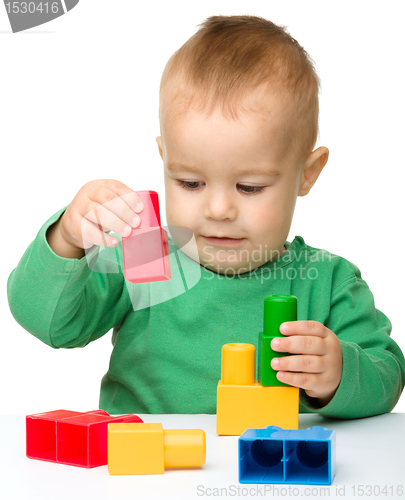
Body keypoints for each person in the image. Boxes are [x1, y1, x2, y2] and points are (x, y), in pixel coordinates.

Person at [8, 15, 405, 418]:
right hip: (146, 473)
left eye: (249, 187)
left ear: (307, 174)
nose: (218, 211)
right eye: (190, 183)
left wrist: (338, 374)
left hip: (270, 474)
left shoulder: (326, 280)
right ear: (165, 161)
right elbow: (52, 325)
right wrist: (67, 239)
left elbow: (387, 376)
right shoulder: (148, 257)